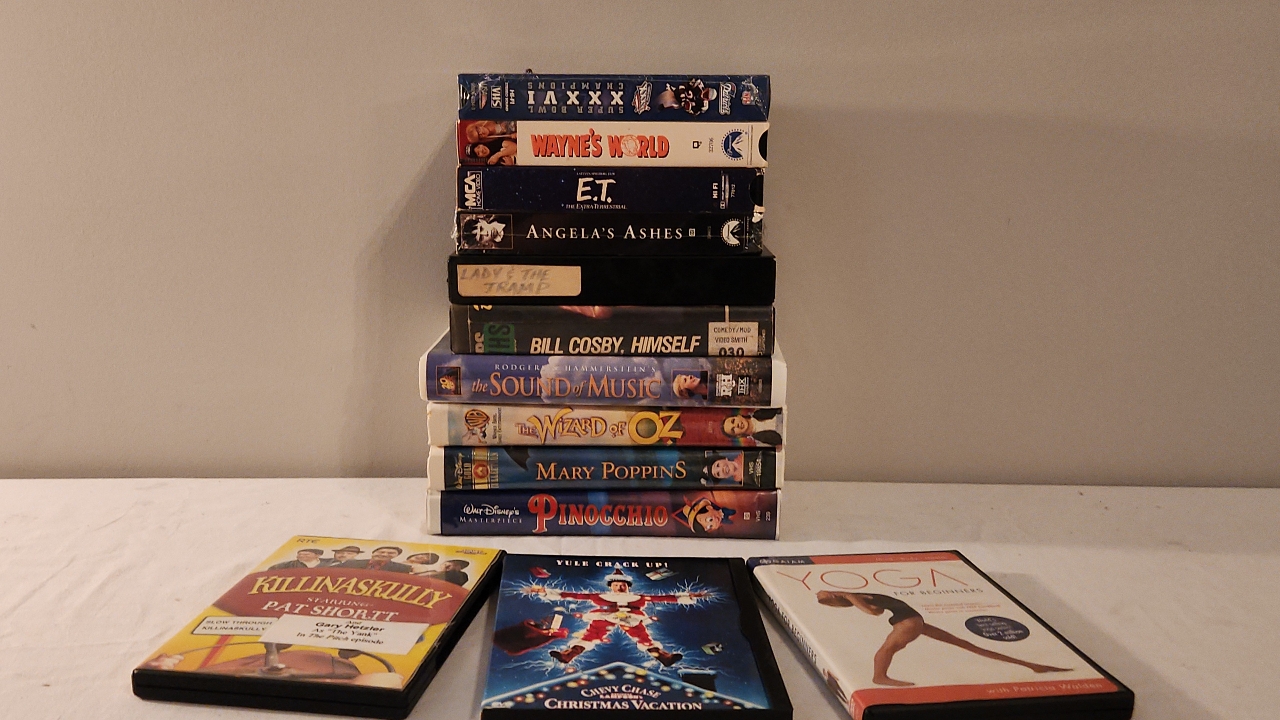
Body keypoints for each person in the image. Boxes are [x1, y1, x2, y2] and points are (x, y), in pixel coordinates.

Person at [815, 591, 1071, 687]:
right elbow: (877, 609)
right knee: (968, 645)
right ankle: (1033, 666)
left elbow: (874, 611)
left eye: (828, 599)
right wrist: (848, 599)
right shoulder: (857, 595)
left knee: (888, 648)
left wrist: (849, 598)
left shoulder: (853, 595)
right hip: (913, 621)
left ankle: (879, 677)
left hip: (909, 622)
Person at [529, 566, 704, 667]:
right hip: (604, 617)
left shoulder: (639, 597)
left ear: (628, 586)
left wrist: (687, 597)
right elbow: (575, 595)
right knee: (590, 637)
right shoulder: (600, 596)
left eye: (623, 585)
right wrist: (546, 592)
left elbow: (663, 598)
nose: (620, 587)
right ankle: (568, 655)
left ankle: (663, 657)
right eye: (616, 585)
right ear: (611, 586)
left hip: (631, 618)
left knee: (644, 639)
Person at [338, 546, 411, 573]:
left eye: (390, 553)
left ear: (396, 556)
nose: (384, 555)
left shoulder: (403, 568)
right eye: (381, 552)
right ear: (373, 553)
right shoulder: (351, 563)